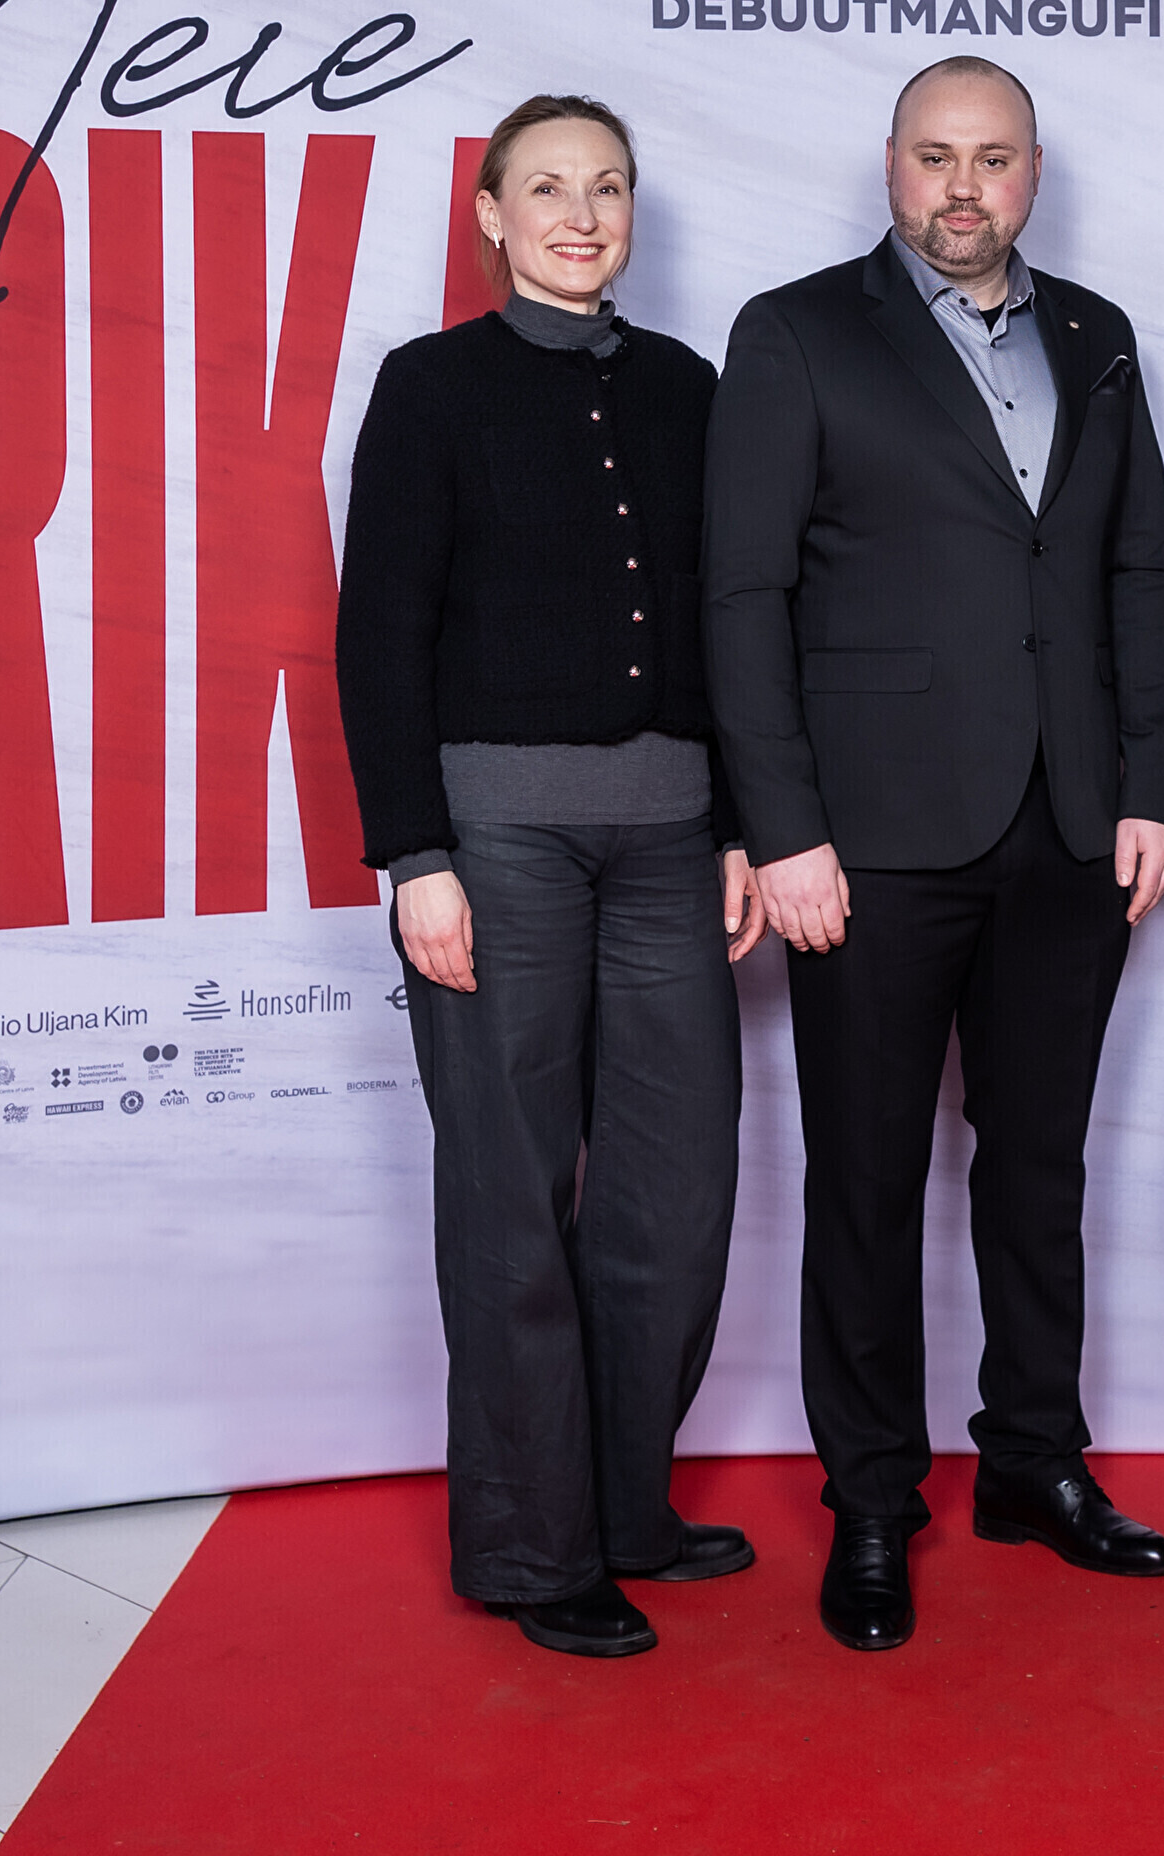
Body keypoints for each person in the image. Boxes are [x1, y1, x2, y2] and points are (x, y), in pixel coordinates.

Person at [703, 54, 1164, 1653]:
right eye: (935, 157)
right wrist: (783, 829)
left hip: (1070, 827)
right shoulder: (795, 333)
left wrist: (1151, 787)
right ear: (891, 166)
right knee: (865, 1177)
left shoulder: (1098, 337)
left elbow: (1139, 569)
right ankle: (872, 1498)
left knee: (1039, 1166)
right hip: (871, 839)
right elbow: (744, 598)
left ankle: (1035, 1462)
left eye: (992, 158)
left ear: (1033, 172)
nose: (962, 188)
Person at [336, 94, 768, 1661]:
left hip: (671, 836)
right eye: (548, 189)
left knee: (676, 1190)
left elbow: (727, 622)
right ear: (491, 215)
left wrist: (739, 823)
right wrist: (416, 857)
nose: (581, 215)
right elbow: (378, 632)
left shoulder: (685, 388)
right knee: (512, 1196)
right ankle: (533, 1550)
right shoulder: (432, 386)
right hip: (497, 839)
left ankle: (623, 1505)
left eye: (607, 188)